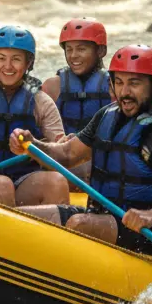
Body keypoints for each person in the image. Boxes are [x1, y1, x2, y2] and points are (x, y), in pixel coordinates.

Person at [10, 45, 152, 255]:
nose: (125, 92)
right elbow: (67, 155)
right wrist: (32, 146)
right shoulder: (107, 115)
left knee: (79, 225)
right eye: (119, 82)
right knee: (16, 219)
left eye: (134, 83)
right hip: (102, 217)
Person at [0, 25, 70, 208]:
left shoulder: (42, 102)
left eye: (16, 59)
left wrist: (36, 147)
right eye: (1, 58)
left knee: (55, 182)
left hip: (23, 180)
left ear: (28, 63)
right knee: (1, 184)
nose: (8, 66)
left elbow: (59, 151)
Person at [41, 18, 113, 185]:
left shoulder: (115, 87)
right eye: (69, 49)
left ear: (101, 51)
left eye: (81, 49)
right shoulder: (53, 86)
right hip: (63, 162)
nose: (73, 56)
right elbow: (40, 129)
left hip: (99, 164)